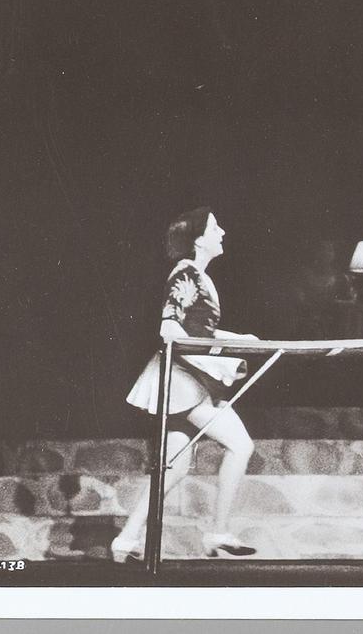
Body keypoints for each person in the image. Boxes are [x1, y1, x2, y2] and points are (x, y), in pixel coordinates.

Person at [111, 207, 259, 562]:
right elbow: (169, 329)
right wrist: (212, 356)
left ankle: (126, 539)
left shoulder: (199, 276)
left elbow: (196, 329)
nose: (222, 232)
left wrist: (238, 338)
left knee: (174, 466)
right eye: (214, 227)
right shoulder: (187, 273)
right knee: (241, 445)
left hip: (185, 379)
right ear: (197, 239)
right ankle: (218, 531)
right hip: (182, 381)